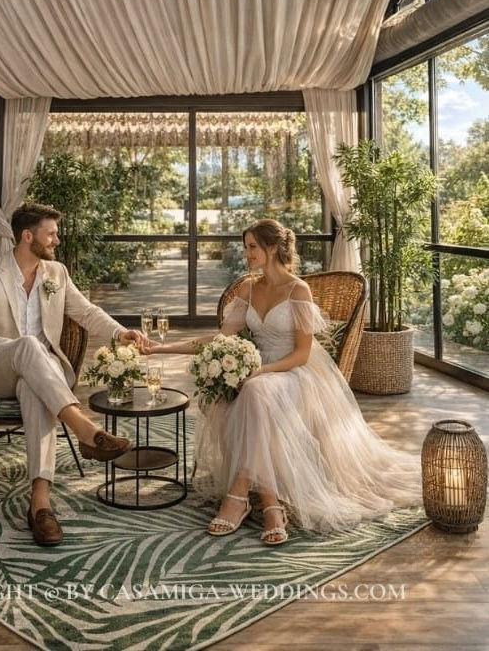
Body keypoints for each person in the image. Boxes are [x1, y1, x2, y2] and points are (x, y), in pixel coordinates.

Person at [143, 218, 422, 544]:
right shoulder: (248, 287)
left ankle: (239, 493)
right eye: (245, 246)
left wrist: (261, 371)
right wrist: (162, 348)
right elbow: (219, 339)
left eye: (252, 247)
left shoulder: (297, 289)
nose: (246, 253)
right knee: (254, 394)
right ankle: (271, 503)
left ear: (272, 248)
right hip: (257, 377)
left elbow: (302, 354)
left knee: (255, 390)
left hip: (295, 375)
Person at [0, 202, 148, 547]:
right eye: (51, 233)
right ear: (28, 236)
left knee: (34, 384)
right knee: (29, 347)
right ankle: (86, 430)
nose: (57, 240)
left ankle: (40, 505)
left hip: (39, 377)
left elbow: (86, 312)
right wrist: (17, 350)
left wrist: (120, 333)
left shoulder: (56, 273)